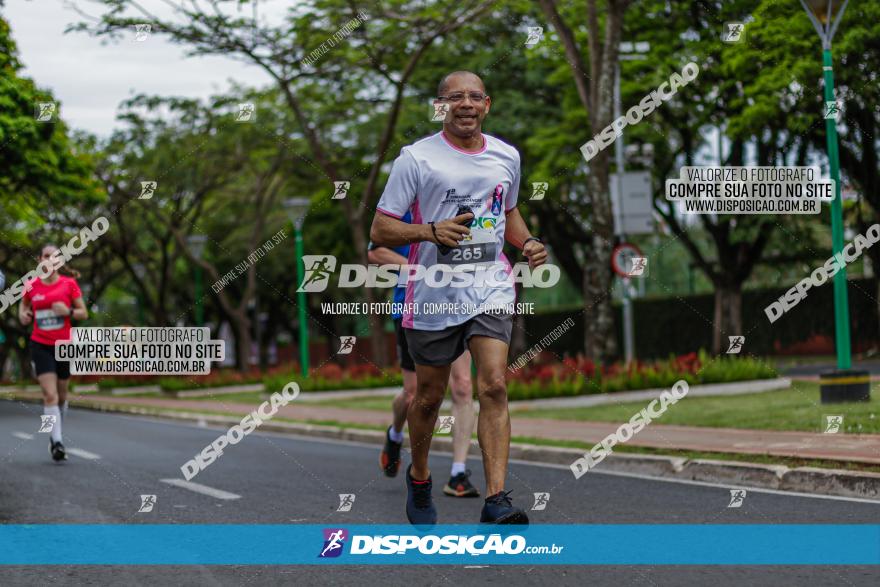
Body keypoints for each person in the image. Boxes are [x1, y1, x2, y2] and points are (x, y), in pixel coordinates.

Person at [369, 70, 548, 525]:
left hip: (489, 284)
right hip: (431, 292)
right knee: (427, 398)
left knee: (493, 384)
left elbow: (506, 212)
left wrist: (526, 243)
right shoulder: (415, 159)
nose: (465, 104)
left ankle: (495, 499)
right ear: (440, 107)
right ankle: (422, 477)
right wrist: (428, 231)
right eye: (454, 98)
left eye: (474, 97)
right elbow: (381, 229)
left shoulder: (507, 156)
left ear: (487, 105)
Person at [369, 213, 479, 498]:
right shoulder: (410, 200)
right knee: (413, 393)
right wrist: (420, 269)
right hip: (413, 305)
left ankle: (458, 473)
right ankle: (395, 435)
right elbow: (376, 251)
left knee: (463, 386)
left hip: (457, 303)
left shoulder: (462, 199)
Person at [19, 245, 88, 462]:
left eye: (55, 256)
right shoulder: (31, 285)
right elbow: (23, 307)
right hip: (40, 344)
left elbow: (83, 313)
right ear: (39, 259)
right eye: (46, 256)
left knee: (62, 396)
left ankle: (55, 434)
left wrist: (67, 311)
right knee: (50, 395)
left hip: (63, 346)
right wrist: (24, 315)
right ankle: (56, 440)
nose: (50, 259)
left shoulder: (70, 285)